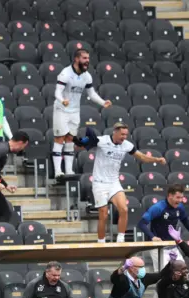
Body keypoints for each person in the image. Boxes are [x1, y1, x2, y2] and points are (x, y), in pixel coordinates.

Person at [75, 123, 167, 243]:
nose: (124, 137)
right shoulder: (102, 141)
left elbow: (142, 157)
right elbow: (80, 147)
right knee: (103, 214)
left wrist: (157, 159)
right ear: (115, 132)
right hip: (99, 183)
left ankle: (120, 240)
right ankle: (101, 243)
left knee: (123, 209)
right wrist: (81, 142)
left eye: (126, 134)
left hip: (114, 182)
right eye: (122, 134)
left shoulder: (127, 145)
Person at [52, 49, 112, 177]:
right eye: (84, 58)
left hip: (75, 111)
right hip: (61, 109)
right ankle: (58, 171)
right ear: (76, 59)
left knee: (70, 139)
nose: (87, 61)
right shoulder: (65, 74)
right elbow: (57, 92)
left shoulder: (87, 76)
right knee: (59, 139)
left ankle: (68, 171)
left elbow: (91, 93)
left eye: (88, 58)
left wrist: (102, 102)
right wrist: (62, 101)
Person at [138, 184, 189, 271]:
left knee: (182, 270)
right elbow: (141, 224)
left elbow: (185, 219)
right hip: (158, 247)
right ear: (170, 195)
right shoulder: (158, 208)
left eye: (181, 198)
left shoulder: (180, 207)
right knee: (163, 274)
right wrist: (153, 237)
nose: (180, 200)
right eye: (178, 197)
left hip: (172, 245)